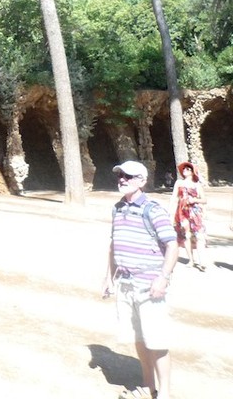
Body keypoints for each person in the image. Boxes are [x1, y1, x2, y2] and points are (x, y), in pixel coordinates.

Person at [103, 160, 179, 399]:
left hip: (148, 284)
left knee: (156, 340)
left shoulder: (153, 209)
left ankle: (164, 393)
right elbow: (114, 243)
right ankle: (149, 387)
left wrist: (163, 278)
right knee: (138, 339)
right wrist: (108, 277)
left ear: (142, 181)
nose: (123, 179)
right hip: (125, 283)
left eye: (129, 176)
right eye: (120, 176)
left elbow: (172, 244)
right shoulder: (117, 208)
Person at [169, 161, 207, 271]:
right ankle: (191, 259)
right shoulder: (179, 183)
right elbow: (174, 197)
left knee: (199, 235)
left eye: (188, 169)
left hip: (195, 212)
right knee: (187, 235)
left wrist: (194, 199)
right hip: (181, 212)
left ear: (192, 172)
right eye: (184, 169)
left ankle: (202, 261)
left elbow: (204, 200)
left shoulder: (197, 185)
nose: (185, 170)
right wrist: (170, 211)